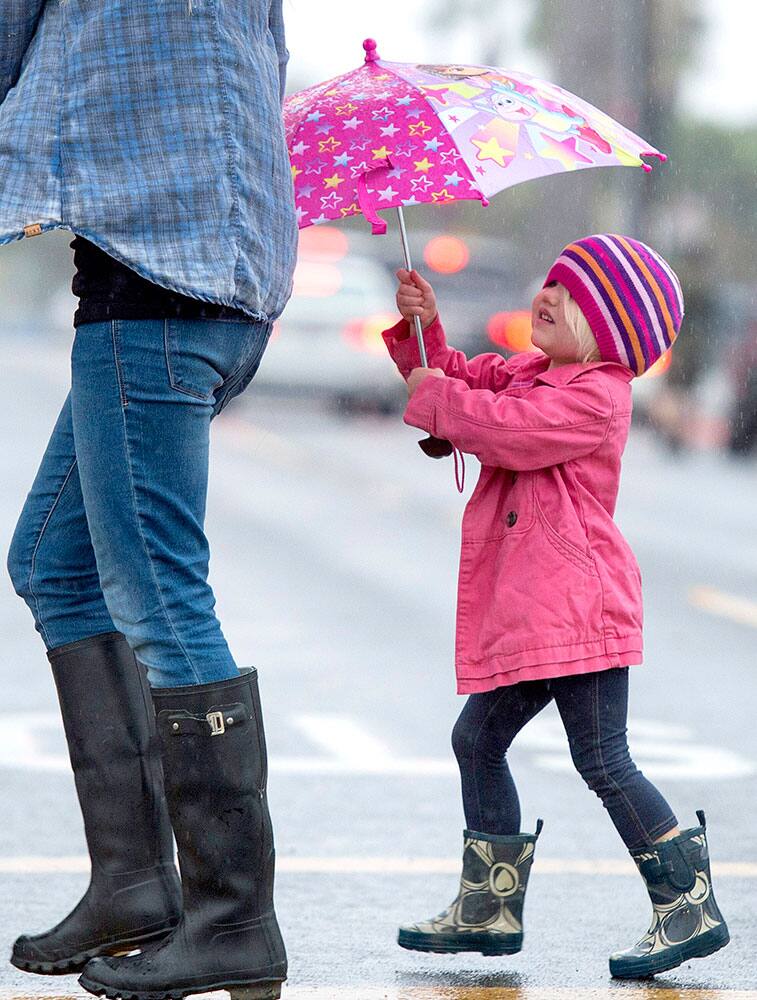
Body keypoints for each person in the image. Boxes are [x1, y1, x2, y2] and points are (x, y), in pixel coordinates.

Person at [2, 3, 296, 999]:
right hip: (218, 277)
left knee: (161, 598)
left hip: (154, 291)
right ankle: (131, 882)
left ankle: (234, 922)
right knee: (54, 562)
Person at [381, 235, 730, 979]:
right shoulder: (536, 371)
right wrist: (424, 331)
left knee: (602, 758)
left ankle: (687, 903)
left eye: (569, 298)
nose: (546, 296)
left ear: (607, 333)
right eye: (551, 281)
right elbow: (463, 379)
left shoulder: (593, 397)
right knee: (477, 742)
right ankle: (488, 906)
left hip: (580, 610)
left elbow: (499, 429)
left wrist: (436, 397)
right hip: (538, 611)